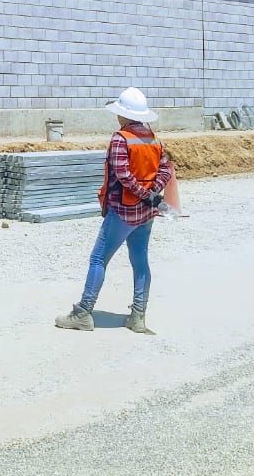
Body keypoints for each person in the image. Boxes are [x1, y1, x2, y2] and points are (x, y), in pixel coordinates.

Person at [56, 86, 173, 334]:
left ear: (124, 115)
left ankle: (83, 313)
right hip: (146, 214)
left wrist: (142, 194)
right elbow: (165, 170)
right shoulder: (154, 139)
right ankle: (138, 317)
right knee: (140, 261)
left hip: (123, 212)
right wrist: (152, 194)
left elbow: (122, 174)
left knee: (98, 259)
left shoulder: (121, 138)